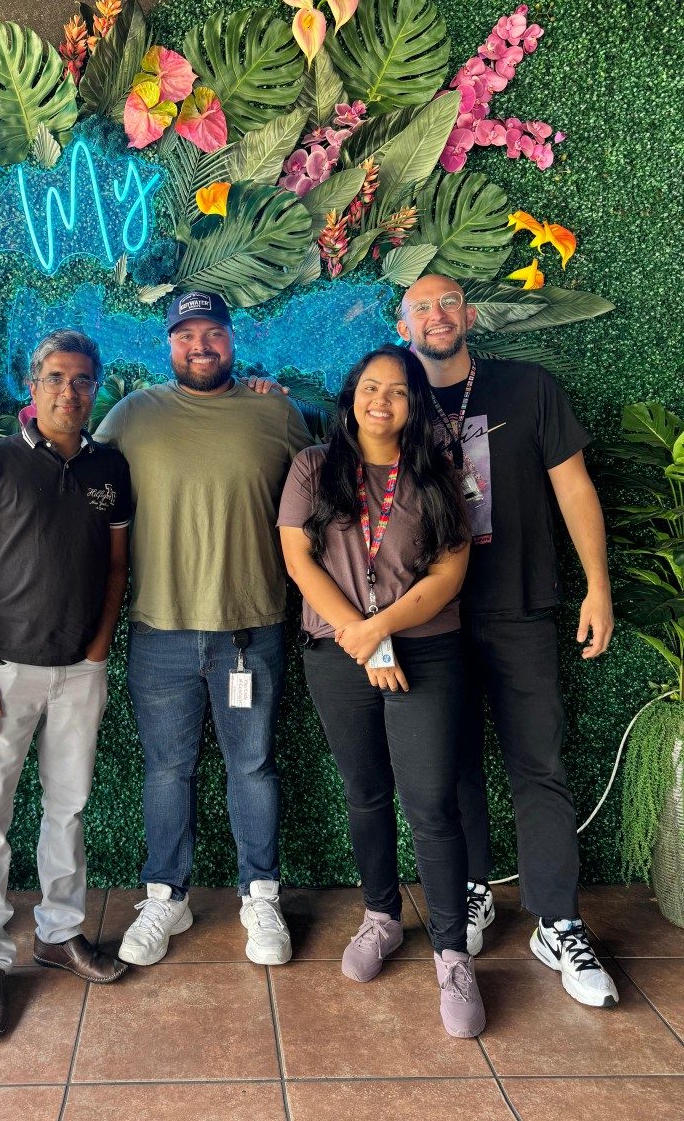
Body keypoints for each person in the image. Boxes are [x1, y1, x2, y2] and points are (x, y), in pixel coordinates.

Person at [396, 273, 618, 1009]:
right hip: (430, 615)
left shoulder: (529, 388)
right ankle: (472, 888)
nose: (436, 314)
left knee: (539, 764)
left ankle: (557, 920)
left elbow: (575, 487)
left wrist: (598, 586)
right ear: (404, 325)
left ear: (470, 315)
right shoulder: (390, 398)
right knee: (449, 763)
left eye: (447, 301)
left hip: (520, 605)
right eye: (421, 306)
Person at [93, 290, 313, 967]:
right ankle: (167, 896)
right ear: (169, 345)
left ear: (231, 338)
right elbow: (73, 481)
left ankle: (261, 895)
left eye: (211, 333)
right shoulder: (132, 416)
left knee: (253, 766)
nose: (200, 346)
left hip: (254, 628)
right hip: (159, 630)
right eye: (186, 336)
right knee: (167, 770)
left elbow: (323, 491)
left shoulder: (275, 412)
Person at [279, 344, 485, 1038]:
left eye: (397, 392)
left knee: (430, 804)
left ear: (413, 405)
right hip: (337, 653)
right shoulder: (313, 467)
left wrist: (382, 632)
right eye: (371, 387)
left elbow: (448, 577)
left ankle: (453, 954)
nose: (382, 401)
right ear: (351, 395)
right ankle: (380, 918)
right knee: (364, 792)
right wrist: (360, 638)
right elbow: (298, 561)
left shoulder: (439, 471)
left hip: (425, 650)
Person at [0, 329, 131, 1040]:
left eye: (83, 380)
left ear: (96, 390)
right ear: (33, 385)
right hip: (0, 671)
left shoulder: (109, 467)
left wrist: (96, 652)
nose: (69, 391)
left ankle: (59, 934)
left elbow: (116, 568)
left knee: (70, 808)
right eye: (56, 377)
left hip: (78, 673)